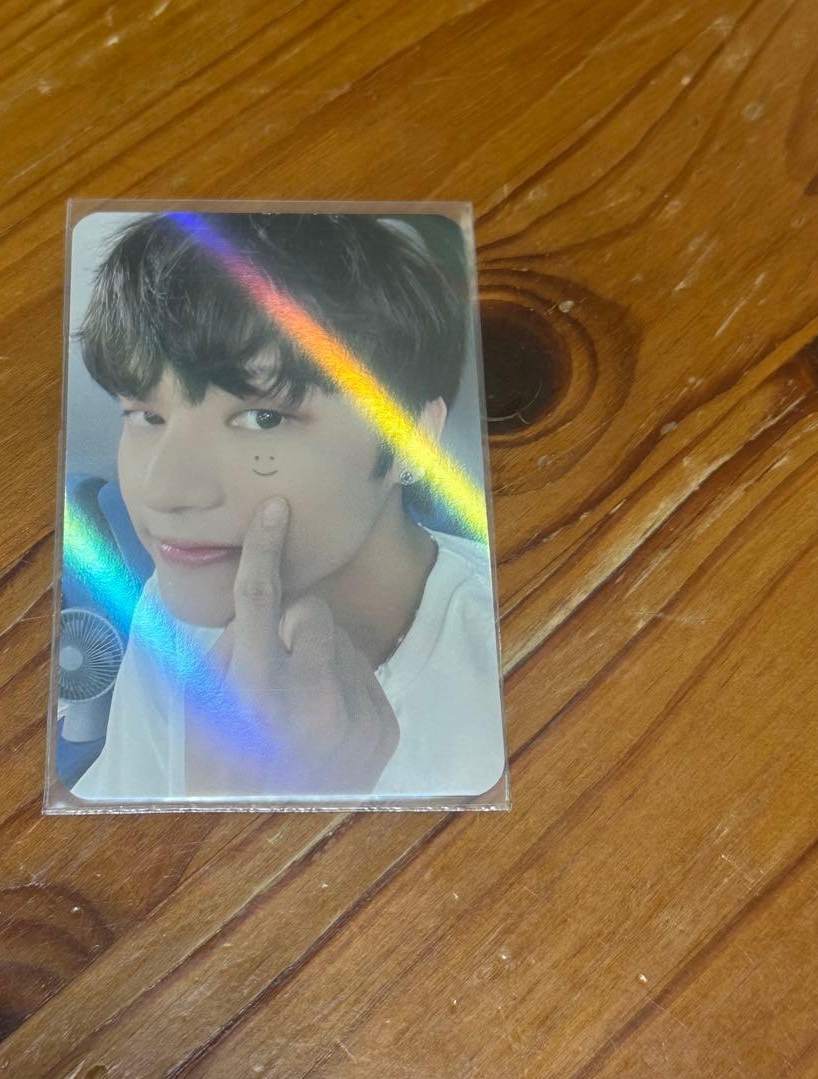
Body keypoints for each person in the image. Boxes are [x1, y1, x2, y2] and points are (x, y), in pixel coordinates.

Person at [68, 212, 505, 801]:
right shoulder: (171, 611)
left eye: (263, 418)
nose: (163, 490)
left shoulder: (513, 649)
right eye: (148, 415)